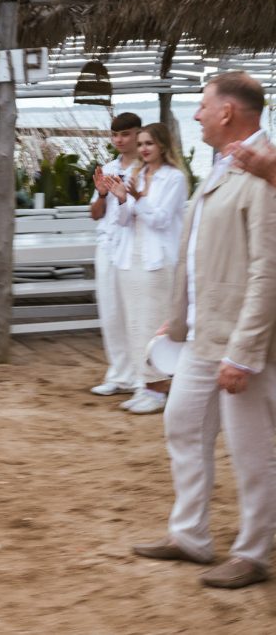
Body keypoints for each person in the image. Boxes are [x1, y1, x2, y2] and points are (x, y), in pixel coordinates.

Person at [133, 72, 276, 589]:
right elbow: (201, 255)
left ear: (228, 113)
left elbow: (267, 268)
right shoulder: (224, 164)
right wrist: (181, 314)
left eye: (201, 105)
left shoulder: (264, 170)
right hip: (201, 334)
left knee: (252, 450)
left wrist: (244, 352)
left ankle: (253, 551)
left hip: (241, 340)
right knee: (182, 424)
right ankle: (190, 535)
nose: (194, 115)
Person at [106, 123, 188, 414]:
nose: (143, 149)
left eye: (149, 143)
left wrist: (138, 199)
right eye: (140, 144)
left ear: (162, 145)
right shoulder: (135, 174)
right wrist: (120, 198)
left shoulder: (175, 178)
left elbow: (161, 219)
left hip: (158, 258)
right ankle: (145, 385)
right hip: (132, 256)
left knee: (156, 324)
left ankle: (160, 388)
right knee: (136, 324)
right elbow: (124, 220)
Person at [89, 113, 142, 398]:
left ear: (138, 134)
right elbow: (95, 215)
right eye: (116, 135)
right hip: (108, 246)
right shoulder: (108, 168)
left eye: (126, 134)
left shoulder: (146, 168)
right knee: (110, 312)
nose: (120, 140)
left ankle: (141, 376)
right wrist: (100, 194)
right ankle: (118, 374)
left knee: (133, 311)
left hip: (135, 246)